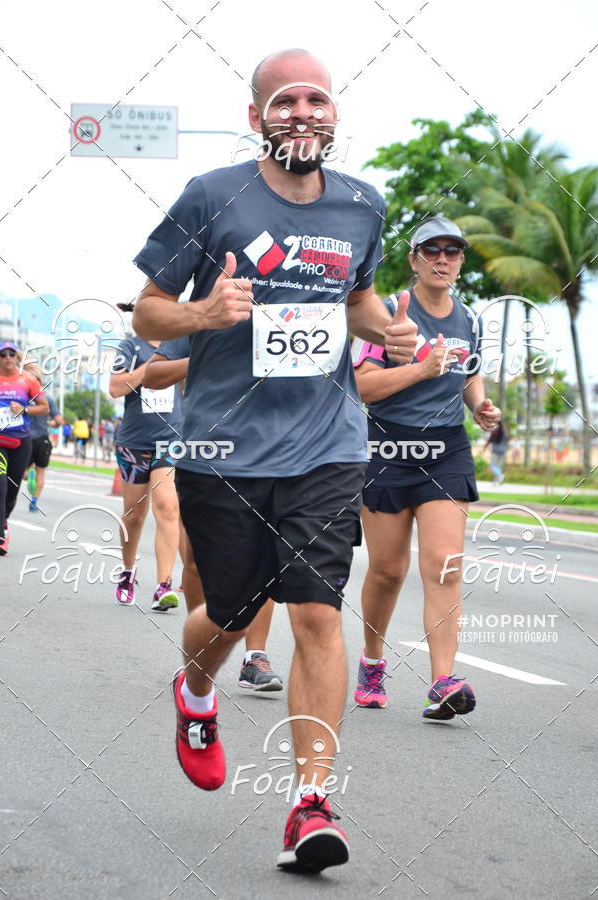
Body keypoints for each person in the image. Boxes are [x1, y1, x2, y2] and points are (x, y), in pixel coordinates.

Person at [132, 48, 418, 873]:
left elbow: (356, 298)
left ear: (335, 115)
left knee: (317, 613)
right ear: (257, 117)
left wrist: (387, 329)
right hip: (224, 446)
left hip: (327, 444)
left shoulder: (363, 204)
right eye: (285, 100)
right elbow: (149, 312)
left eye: (316, 99)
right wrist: (203, 314)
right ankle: (195, 691)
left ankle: (309, 803)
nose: (302, 112)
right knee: (229, 612)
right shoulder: (212, 195)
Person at [351, 216, 501, 719]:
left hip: (446, 449)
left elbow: (469, 373)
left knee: (443, 564)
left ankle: (442, 680)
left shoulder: (471, 320)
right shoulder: (387, 314)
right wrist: (420, 369)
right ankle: (373, 661)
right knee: (388, 572)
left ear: (461, 261)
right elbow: (362, 387)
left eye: (451, 251)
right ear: (413, 259)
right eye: (430, 250)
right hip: (388, 448)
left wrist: (479, 406)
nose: (442, 259)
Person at [144, 339, 283, 691]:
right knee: (196, 562)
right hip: (207, 450)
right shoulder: (201, 314)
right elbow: (153, 375)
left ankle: (255, 657)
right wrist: (206, 357)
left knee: (265, 556)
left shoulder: (284, 312)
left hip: (269, 450)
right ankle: (201, 658)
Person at [109, 329, 185, 612]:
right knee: (133, 516)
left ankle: (163, 586)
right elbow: (116, 388)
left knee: (167, 506)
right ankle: (127, 572)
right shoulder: (130, 347)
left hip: (171, 439)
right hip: (134, 442)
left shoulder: (181, 343)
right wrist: (153, 365)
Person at [0, 341, 49, 554]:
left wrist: (23, 409)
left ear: (17, 358)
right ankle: (0, 535)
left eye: (11, 354)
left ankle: (3, 522)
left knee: (11, 492)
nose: (8, 357)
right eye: (3, 354)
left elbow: (44, 408)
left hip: (21, 442)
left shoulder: (27, 380)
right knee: (0, 486)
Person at [22, 363, 64, 512]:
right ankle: (34, 502)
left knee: (23, 469)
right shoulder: (48, 399)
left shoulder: (23, 398)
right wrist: (52, 423)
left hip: (25, 438)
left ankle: (27, 473)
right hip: (42, 438)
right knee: (41, 471)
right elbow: (59, 421)